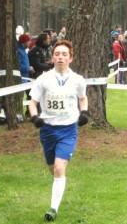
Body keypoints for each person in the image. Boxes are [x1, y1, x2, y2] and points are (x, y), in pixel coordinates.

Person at [28, 40, 89, 222]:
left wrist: (84, 112)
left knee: (59, 167)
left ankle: (53, 209)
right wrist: (34, 118)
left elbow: (83, 98)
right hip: (48, 129)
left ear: (70, 58)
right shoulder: (43, 79)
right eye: (57, 54)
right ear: (52, 57)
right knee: (52, 169)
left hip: (68, 129)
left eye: (64, 54)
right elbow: (33, 102)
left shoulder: (78, 80)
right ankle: (59, 182)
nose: (60, 57)